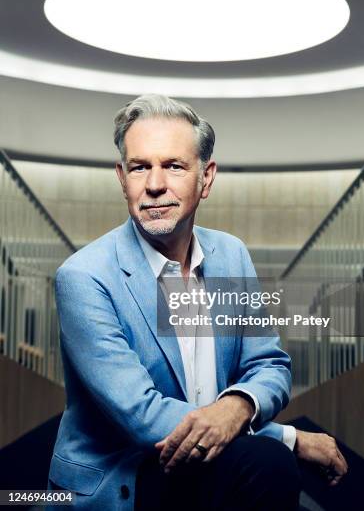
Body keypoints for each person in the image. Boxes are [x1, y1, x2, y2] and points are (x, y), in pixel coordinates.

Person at [48, 94, 347, 510]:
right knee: (269, 461)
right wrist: (288, 437)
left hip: (204, 466)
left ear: (206, 178)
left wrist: (239, 404)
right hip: (125, 478)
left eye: (173, 166)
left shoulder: (230, 255)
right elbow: (142, 417)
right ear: (122, 178)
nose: (154, 184)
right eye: (140, 167)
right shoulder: (84, 277)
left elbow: (269, 365)